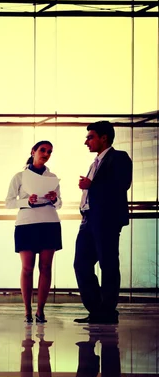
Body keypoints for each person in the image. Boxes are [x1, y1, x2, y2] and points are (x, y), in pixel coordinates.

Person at [74, 121, 132, 324]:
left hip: (106, 220)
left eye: (90, 137)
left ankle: (107, 311)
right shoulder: (95, 163)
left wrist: (92, 185)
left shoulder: (119, 157)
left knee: (108, 264)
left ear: (104, 137)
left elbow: (122, 184)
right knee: (81, 264)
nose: (86, 142)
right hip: (88, 220)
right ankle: (96, 310)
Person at [5, 141, 62, 324]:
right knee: (27, 268)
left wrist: (55, 199)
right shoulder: (20, 177)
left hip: (49, 223)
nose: (46, 154)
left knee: (45, 268)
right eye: (43, 150)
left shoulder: (52, 177)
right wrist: (26, 201)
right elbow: (9, 202)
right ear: (33, 152)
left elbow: (60, 204)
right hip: (27, 223)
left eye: (49, 152)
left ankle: (40, 311)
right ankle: (27, 311)